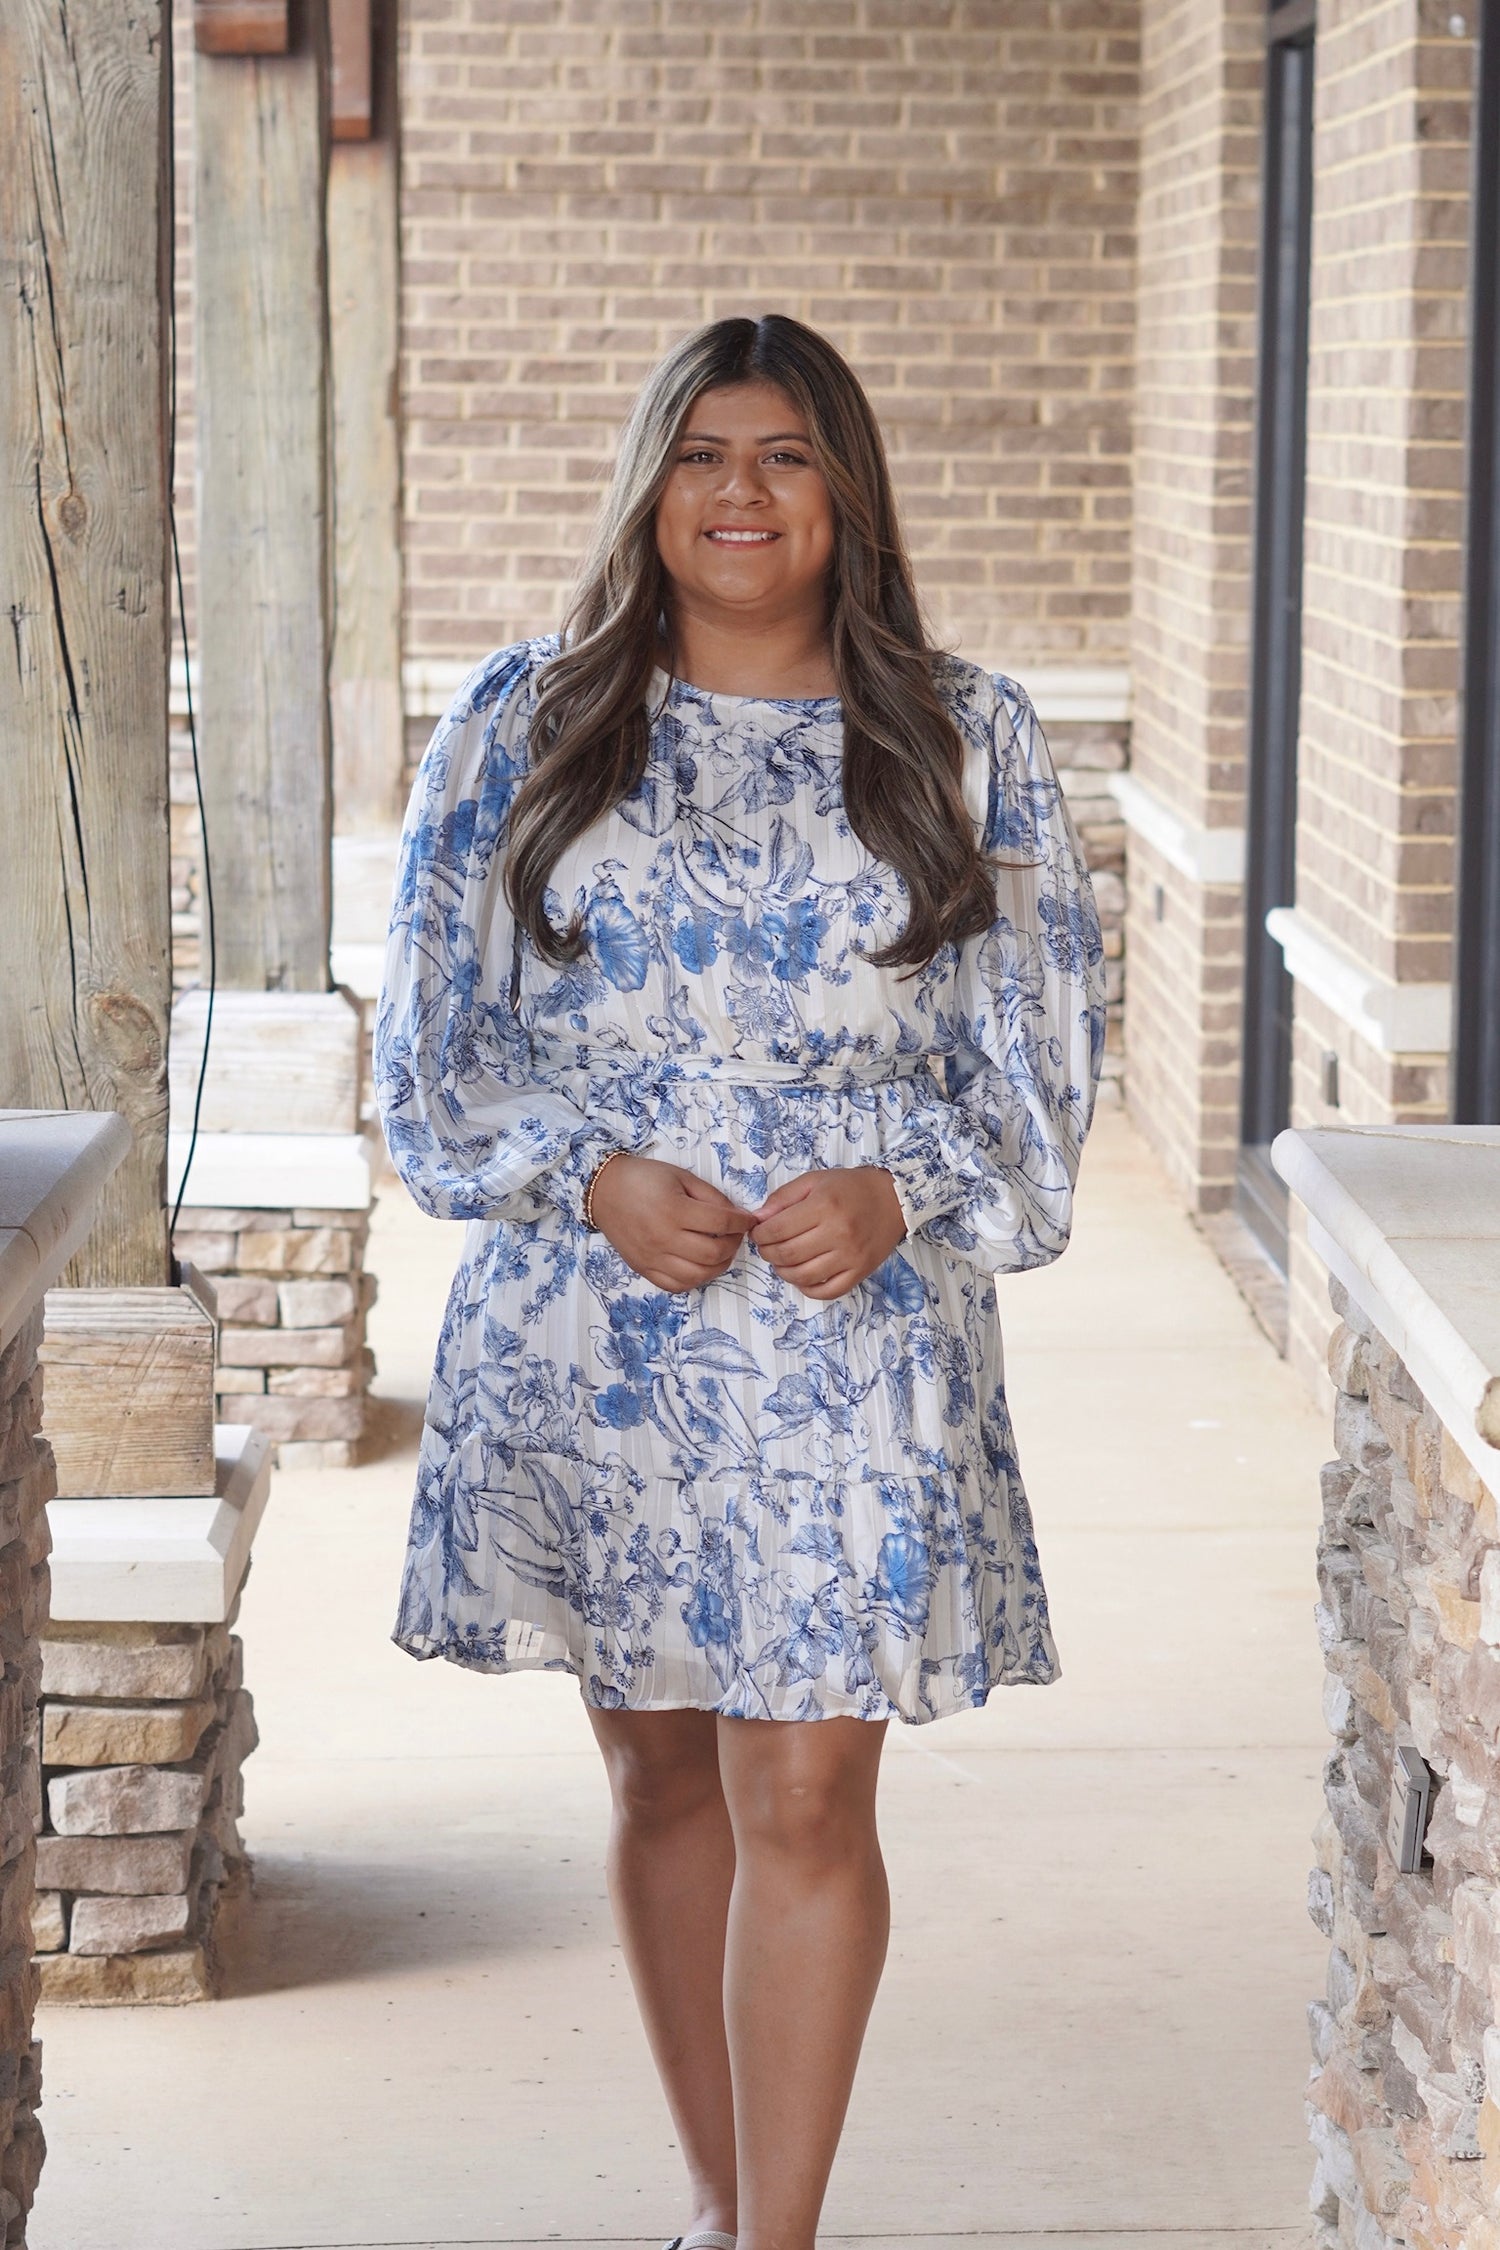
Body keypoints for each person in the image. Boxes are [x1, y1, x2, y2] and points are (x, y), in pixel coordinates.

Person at [375, 313, 1105, 2250]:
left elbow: (1035, 1078)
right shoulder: (526, 726)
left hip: (857, 1342)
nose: (741, 493)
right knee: (667, 1777)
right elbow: (431, 1063)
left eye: (785, 454)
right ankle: (713, 2198)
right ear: (648, 489)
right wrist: (586, 1174)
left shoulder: (965, 738)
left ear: (847, 488)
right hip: (602, 1339)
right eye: (701, 453)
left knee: (806, 1792)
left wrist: (904, 1184)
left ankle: (776, 2235)